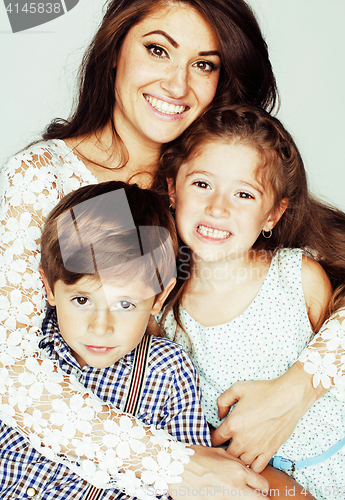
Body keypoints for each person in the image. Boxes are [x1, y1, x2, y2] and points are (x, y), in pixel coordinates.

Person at [0, 0, 278, 495]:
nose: (177, 86)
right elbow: (9, 369)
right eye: (157, 50)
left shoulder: (216, 185)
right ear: (114, 53)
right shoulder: (40, 178)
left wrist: (295, 391)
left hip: (233, 441)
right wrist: (171, 466)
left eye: (204, 64)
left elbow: (337, 281)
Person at [158, 104, 345, 499]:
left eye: (244, 194)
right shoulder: (162, 311)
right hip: (265, 486)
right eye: (201, 184)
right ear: (171, 189)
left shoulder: (296, 277)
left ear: (272, 215)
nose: (218, 207)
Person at [0, 180, 215, 498]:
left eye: (125, 304)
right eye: (82, 300)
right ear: (49, 288)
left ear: (159, 297)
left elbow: (193, 480)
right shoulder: (28, 350)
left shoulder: (168, 370)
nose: (101, 326)